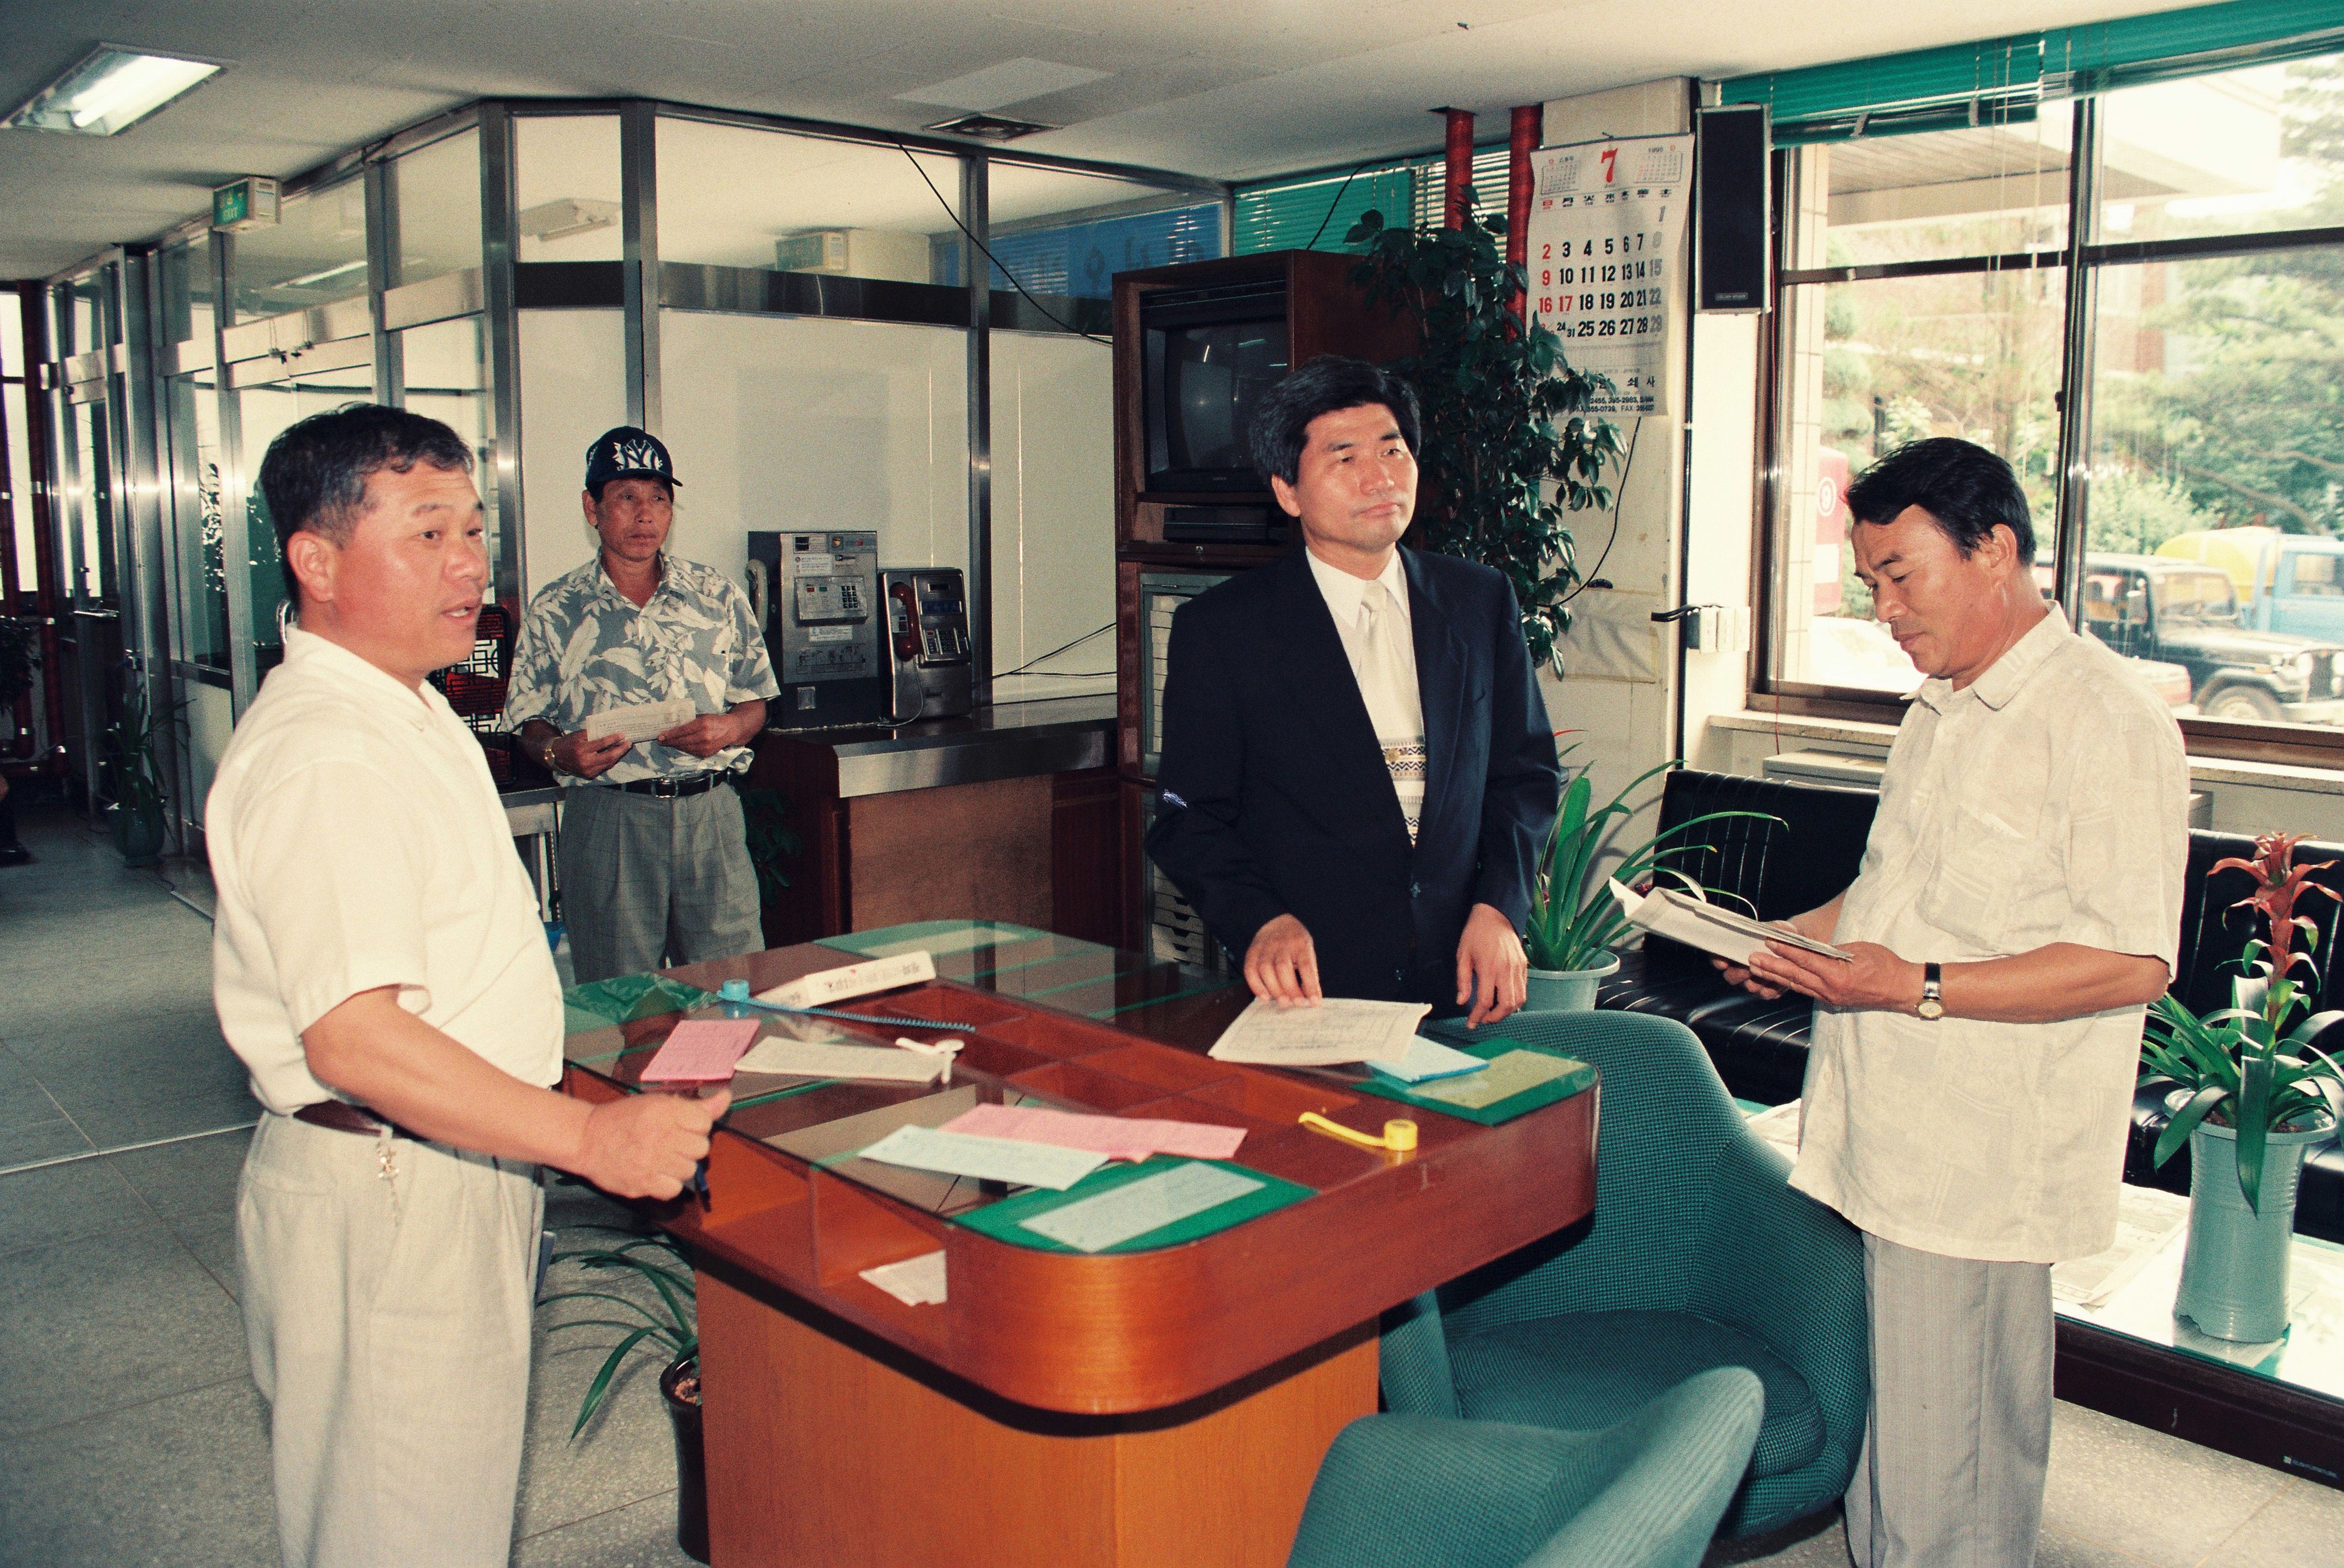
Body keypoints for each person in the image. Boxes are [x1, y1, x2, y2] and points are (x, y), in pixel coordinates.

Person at [207, 404, 724, 1568]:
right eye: (428, 532)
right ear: (317, 561)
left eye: (475, 530)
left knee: (438, 1510)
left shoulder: (404, 703)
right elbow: (355, 1039)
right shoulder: (329, 751)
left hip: (445, 1159)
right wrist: (589, 1139)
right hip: (391, 1185)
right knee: (402, 1525)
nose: (469, 564)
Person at [1715, 437, 2188, 1567]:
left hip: (1980, 1156)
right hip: (1889, 1127)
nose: (1883, 609)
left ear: (1994, 551)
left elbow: (2131, 962)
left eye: (1900, 575)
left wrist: (1914, 983)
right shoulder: (1940, 702)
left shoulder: (2104, 720)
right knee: (1898, 1436)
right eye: (1869, 580)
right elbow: (1893, 888)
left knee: (1955, 1462)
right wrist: (1794, 941)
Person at [1145, 355, 1561, 1026]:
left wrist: (1500, 908)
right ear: (1287, 491)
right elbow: (1188, 815)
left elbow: (1524, 775)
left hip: (1464, 981)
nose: (1380, 478)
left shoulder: (1477, 602)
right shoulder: (1224, 628)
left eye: (1393, 451)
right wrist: (1259, 920)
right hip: (1312, 989)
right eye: (1344, 459)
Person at [504, 426, 780, 984]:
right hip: (610, 819)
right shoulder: (557, 607)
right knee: (623, 996)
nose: (645, 514)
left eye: (658, 498)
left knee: (733, 986)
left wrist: (728, 729)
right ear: (593, 508)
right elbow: (527, 722)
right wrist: (558, 752)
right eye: (626, 497)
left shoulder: (716, 595)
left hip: (710, 816)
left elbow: (756, 702)